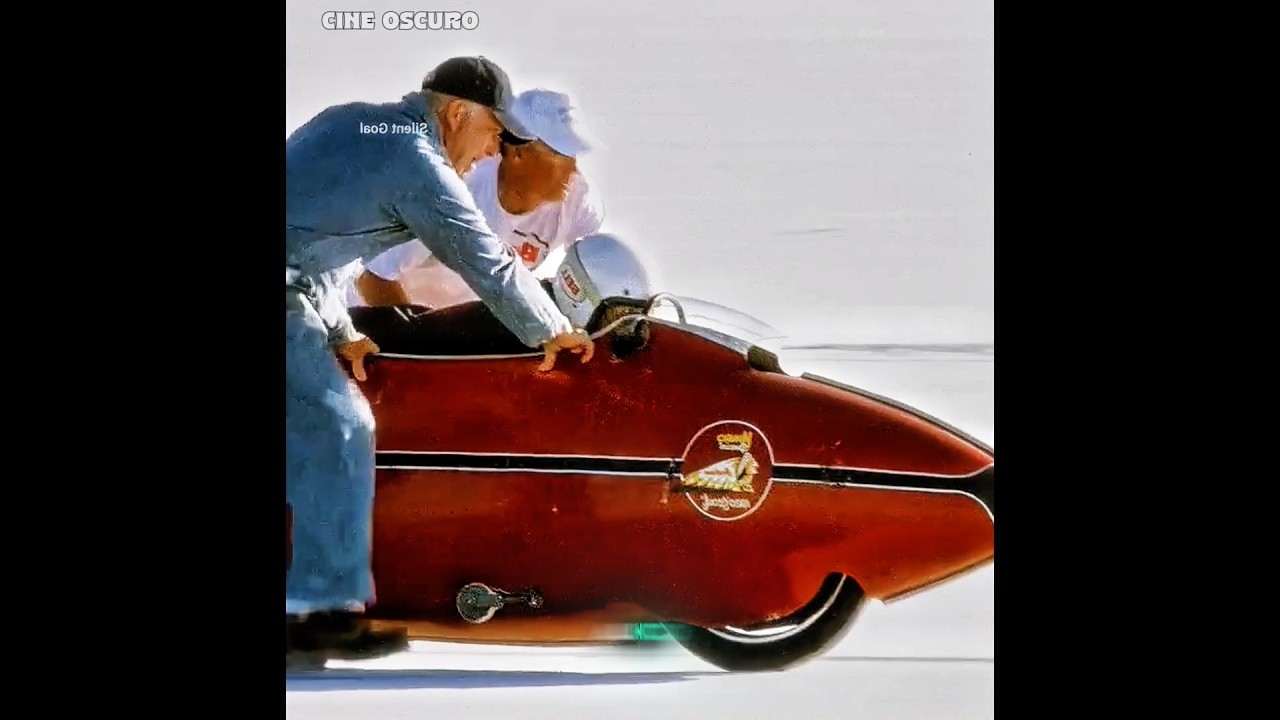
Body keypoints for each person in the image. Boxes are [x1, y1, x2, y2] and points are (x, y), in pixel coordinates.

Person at [285, 55, 596, 664]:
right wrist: (553, 330)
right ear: (457, 113)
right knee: (342, 427)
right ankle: (318, 613)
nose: (490, 152)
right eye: (490, 135)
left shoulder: (353, 122)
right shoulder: (417, 164)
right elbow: (487, 264)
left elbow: (312, 243)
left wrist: (343, 327)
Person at [347, 87, 605, 309]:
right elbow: (370, 277)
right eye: (562, 157)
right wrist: (423, 347)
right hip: (372, 315)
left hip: (461, 327)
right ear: (518, 154)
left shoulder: (578, 199)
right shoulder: (450, 189)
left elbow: (595, 270)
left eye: (575, 156)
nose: (574, 172)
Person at [349, 233, 656, 358]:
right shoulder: (511, 324)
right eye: (622, 319)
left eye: (639, 322)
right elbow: (419, 332)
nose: (632, 335)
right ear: (578, 293)